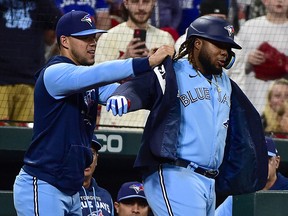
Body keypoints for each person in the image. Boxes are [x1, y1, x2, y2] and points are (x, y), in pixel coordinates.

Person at [13, 10, 174, 216]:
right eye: (84, 38)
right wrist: (147, 62)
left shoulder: (88, 82)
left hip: (73, 189)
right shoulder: (54, 73)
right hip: (44, 183)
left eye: (93, 37)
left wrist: (162, 90)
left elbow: (123, 93)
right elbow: (98, 73)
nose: (92, 43)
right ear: (64, 41)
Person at [106, 15, 268, 215]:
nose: (225, 53)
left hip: (209, 181)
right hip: (176, 173)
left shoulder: (226, 84)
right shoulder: (174, 71)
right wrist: (125, 96)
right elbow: (142, 86)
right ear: (197, 43)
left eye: (228, 48)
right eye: (218, 45)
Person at [95, 0, 175, 130]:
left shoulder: (165, 39)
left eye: (146, 2)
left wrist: (152, 66)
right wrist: (125, 60)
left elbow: (170, 85)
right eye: (135, 1)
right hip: (115, 122)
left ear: (154, 3)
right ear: (126, 3)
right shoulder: (108, 38)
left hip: (150, 123)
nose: (141, 7)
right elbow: (98, 83)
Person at [0, 0, 61, 126]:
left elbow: (59, 22)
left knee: (22, 137)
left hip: (29, 80)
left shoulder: (41, 3)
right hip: (1, 79)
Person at [228, 0, 288, 113]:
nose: (280, 1)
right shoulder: (249, 27)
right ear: (265, 1)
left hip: (284, 106)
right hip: (254, 99)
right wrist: (247, 60)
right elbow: (233, 65)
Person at [215, 136, 288, 215]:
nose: (262, 165)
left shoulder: (286, 187)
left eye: (266, 160)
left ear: (276, 162)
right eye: (257, 159)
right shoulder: (241, 191)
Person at [80, 134, 114, 216]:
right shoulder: (65, 193)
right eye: (82, 153)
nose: (87, 160)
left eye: (91, 153)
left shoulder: (105, 196)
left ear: (97, 159)